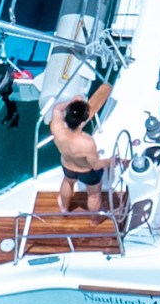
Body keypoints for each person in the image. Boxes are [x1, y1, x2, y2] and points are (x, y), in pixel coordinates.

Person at [45, 80, 116, 213]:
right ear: (84, 120)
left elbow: (57, 108)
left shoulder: (56, 127)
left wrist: (72, 103)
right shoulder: (87, 142)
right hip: (86, 171)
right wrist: (112, 161)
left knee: (68, 182)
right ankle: (94, 220)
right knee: (94, 195)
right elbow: (96, 165)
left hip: (67, 165)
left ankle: (64, 208)